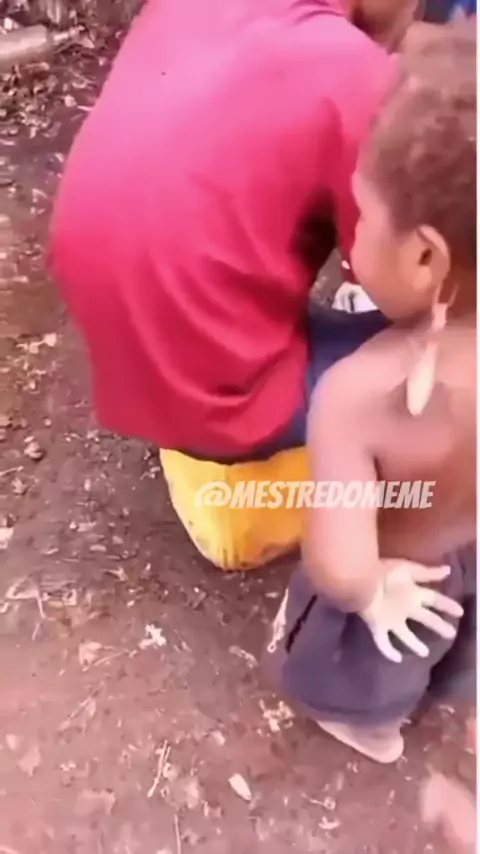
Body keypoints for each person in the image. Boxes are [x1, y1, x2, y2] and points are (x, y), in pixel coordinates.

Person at [50, 0, 419, 463]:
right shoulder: (355, 70)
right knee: (457, 354)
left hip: (130, 366)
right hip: (228, 403)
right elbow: (410, 286)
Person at [265, 26, 476, 763]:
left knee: (379, 649)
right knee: (451, 637)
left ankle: (368, 725)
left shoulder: (359, 394)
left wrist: (366, 586)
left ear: (424, 256)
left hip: (403, 575)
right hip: (467, 556)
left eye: (362, 216)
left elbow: (341, 559)